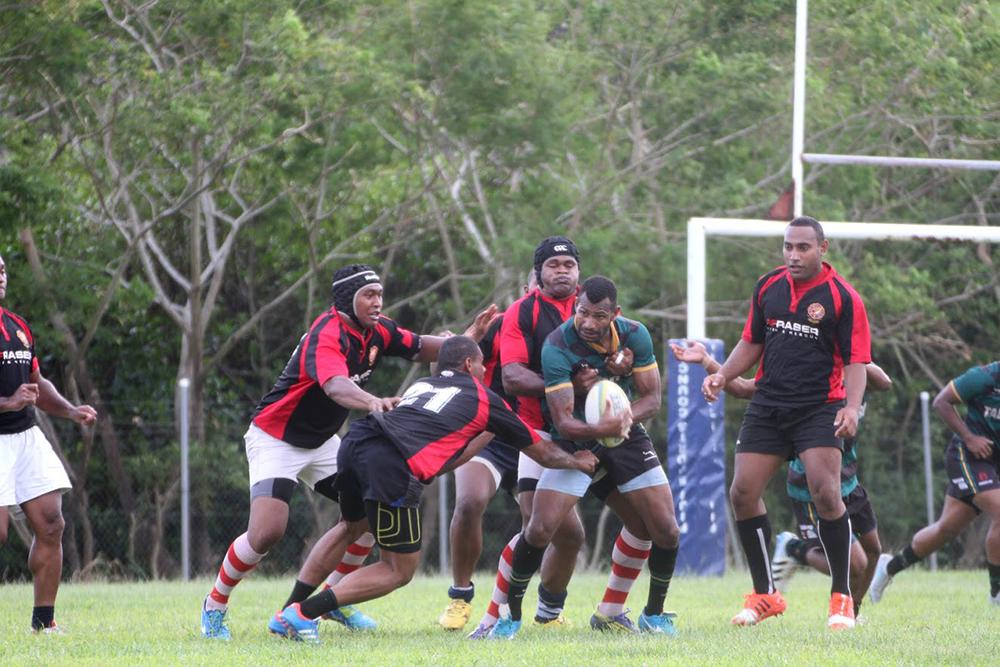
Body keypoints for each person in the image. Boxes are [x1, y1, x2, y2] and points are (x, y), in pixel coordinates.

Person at [200, 264, 496, 639]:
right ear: (346, 299)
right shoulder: (327, 334)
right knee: (267, 532)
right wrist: (372, 401)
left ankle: (334, 601)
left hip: (323, 442)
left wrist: (469, 338)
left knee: (368, 516)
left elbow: (422, 347)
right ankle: (215, 604)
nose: (377, 302)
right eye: (368, 296)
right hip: (276, 437)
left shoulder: (378, 329)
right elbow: (337, 386)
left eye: (379, 294)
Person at [267, 335, 598, 643]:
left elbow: (446, 460)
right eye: (481, 364)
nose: (484, 370)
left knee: (349, 528)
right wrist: (577, 461)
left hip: (357, 440)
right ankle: (303, 613)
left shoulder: (422, 384)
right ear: (470, 365)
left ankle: (286, 611)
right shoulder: (484, 396)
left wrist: (487, 433)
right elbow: (542, 453)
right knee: (399, 569)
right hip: (390, 463)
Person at [702, 216, 871, 631]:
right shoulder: (768, 287)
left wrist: (850, 408)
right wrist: (723, 374)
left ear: (822, 249)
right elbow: (752, 341)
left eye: (803, 248)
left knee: (826, 493)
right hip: (769, 405)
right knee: (742, 493)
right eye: (788, 247)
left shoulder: (843, 298)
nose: (793, 255)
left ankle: (842, 600)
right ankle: (765, 595)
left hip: (818, 407)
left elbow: (856, 360)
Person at [489, 275, 681, 639]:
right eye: (583, 313)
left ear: (615, 314)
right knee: (540, 528)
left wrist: (622, 420)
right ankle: (510, 617)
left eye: (599, 316)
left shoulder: (635, 334)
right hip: (572, 440)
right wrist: (603, 426)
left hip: (623, 435)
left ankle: (652, 614)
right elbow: (562, 419)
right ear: (576, 305)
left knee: (665, 529)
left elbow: (651, 400)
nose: (589, 323)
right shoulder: (557, 345)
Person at [466, 238, 634, 636]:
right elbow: (513, 377)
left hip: (594, 434)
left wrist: (622, 363)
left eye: (569, 264)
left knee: (636, 523)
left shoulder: (597, 307)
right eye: (554, 264)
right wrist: (564, 385)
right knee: (543, 529)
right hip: (538, 432)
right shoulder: (521, 313)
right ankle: (497, 613)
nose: (562, 271)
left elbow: (624, 353)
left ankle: (550, 610)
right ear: (538, 272)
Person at [674, 340, 890, 618]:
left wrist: (853, 355)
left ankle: (854, 611)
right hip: (811, 484)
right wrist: (707, 361)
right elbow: (741, 387)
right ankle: (794, 550)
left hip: (849, 479)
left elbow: (884, 382)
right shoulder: (798, 378)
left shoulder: (853, 374)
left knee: (874, 550)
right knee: (855, 564)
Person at [0, 253, 98, 633]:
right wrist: (7, 402)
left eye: (4, 269)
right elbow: (16, 396)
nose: (1, 275)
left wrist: (71, 410)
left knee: (52, 523)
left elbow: (37, 385)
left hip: (25, 438)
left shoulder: (19, 327)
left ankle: (44, 624)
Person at [438, 272, 535, 630]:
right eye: (540, 283)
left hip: (536, 438)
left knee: (556, 529)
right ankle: (460, 597)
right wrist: (473, 334)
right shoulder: (502, 325)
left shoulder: (573, 331)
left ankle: (549, 609)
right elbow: (444, 368)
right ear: (528, 289)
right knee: (469, 501)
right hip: (490, 438)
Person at [869, 360, 1000, 606]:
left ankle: (889, 567)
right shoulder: (984, 378)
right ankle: (997, 594)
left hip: (993, 463)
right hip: (967, 456)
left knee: (945, 530)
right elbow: (941, 401)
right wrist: (970, 438)